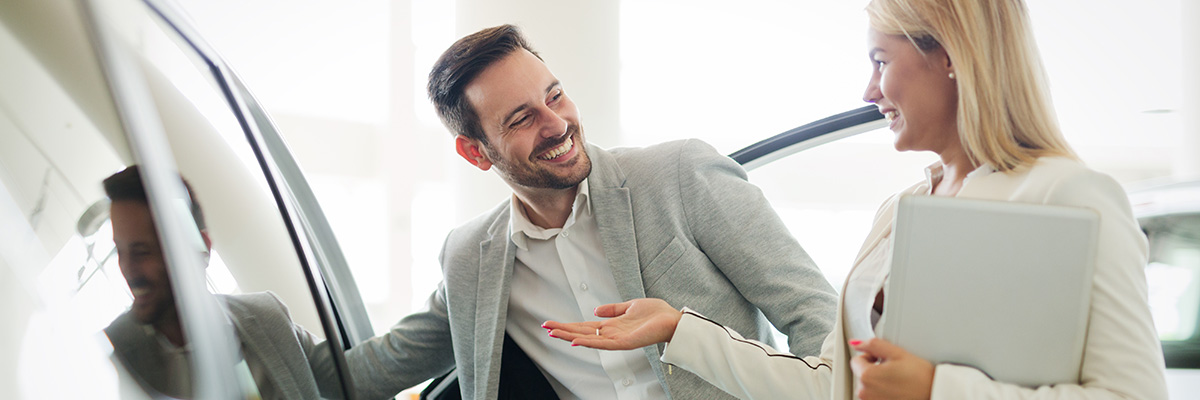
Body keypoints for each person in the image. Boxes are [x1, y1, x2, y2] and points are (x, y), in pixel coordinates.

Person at [543, 0, 1169, 398]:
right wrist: (679, 328)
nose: (869, 89)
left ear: (949, 57)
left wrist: (936, 389)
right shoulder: (901, 210)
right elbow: (831, 384)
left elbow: (1133, 394)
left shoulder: (1068, 193)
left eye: (880, 60)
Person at [342, 24, 838, 400]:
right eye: (522, 118)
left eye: (554, 95)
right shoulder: (470, 256)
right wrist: (265, 328)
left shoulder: (681, 173)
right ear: (475, 153)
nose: (557, 123)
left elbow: (818, 318)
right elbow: (378, 367)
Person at [102, 166, 340, 399]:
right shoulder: (111, 362)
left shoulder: (266, 316)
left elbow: (348, 374)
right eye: (120, 251)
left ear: (200, 247)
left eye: (142, 252)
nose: (127, 269)